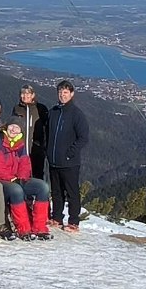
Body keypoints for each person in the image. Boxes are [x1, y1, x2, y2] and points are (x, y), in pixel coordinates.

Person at [0, 121, 52, 240]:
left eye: (17, 128)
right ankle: (23, 229)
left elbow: (25, 164)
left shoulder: (20, 144)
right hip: (1, 180)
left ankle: (39, 228)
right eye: (11, 126)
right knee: (17, 190)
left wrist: (21, 178)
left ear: (20, 131)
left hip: (17, 179)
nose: (13, 130)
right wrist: (12, 179)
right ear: (6, 127)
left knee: (42, 187)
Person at [47, 80, 90, 232]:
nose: (62, 95)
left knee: (72, 193)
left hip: (70, 162)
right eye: (60, 92)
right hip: (53, 161)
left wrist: (69, 153)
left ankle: (73, 221)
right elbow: (48, 134)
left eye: (65, 92)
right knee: (56, 192)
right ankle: (57, 218)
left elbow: (83, 137)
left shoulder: (76, 114)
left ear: (71, 94)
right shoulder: (53, 112)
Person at [12, 84, 49, 180]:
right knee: (21, 173)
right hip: (20, 147)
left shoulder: (41, 109)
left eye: (28, 94)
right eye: (23, 93)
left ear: (33, 95)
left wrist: (43, 146)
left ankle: (39, 193)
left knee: (38, 174)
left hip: (36, 148)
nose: (25, 96)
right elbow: (12, 126)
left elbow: (47, 128)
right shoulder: (17, 109)